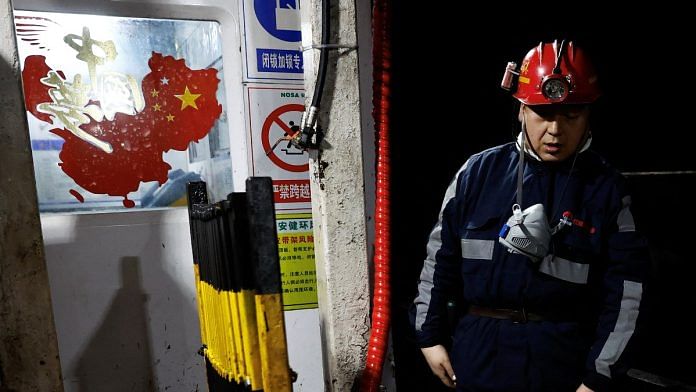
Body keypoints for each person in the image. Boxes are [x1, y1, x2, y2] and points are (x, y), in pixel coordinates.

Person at [411, 40, 650, 392]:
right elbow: (439, 260)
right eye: (543, 114)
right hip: (480, 355)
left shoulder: (607, 190)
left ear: (588, 115)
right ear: (521, 109)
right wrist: (428, 337)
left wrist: (598, 376)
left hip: (560, 360)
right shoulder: (478, 173)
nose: (555, 130)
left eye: (571, 116)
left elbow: (628, 292)